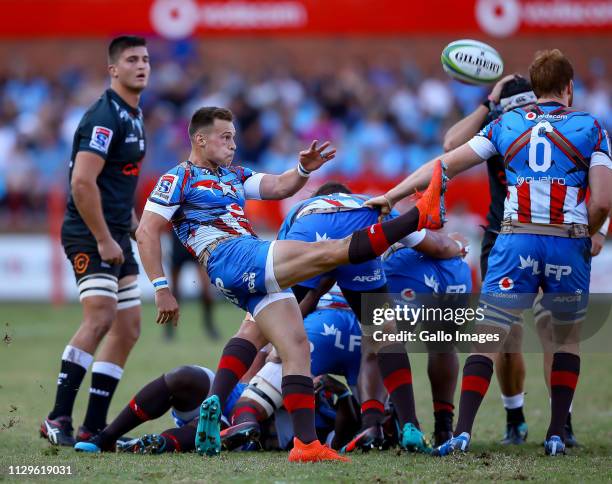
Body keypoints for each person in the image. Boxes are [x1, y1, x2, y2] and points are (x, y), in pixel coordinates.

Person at [135, 106, 447, 462]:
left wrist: (302, 169)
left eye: (234, 137)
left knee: (296, 346)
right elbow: (146, 231)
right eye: (225, 137)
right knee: (329, 253)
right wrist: (161, 287)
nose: (232, 144)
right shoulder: (177, 178)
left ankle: (304, 444)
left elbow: (280, 186)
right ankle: (419, 216)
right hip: (231, 254)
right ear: (199, 139)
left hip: (238, 267)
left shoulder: (233, 175)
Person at [366, 49, 611, 456]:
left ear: (534, 90)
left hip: (513, 238)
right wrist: (587, 234)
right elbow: (601, 201)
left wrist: (392, 195)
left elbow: (444, 162)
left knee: (489, 335)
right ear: (570, 87)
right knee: (564, 339)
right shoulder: (592, 126)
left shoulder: (507, 122)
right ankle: (555, 433)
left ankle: (462, 431)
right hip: (566, 239)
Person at [444, 75, 610, 446]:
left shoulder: (547, 124)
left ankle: (560, 425)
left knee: (552, 329)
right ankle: (515, 416)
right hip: (504, 234)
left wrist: (596, 230)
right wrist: (488, 103)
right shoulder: (500, 122)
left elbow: (597, 183)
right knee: (508, 335)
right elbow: (450, 147)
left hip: (550, 232)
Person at [41, 36, 150, 446]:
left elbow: (117, 181)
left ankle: (93, 427)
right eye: (132, 60)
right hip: (90, 232)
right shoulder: (105, 116)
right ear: (113, 70)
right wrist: (104, 237)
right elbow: (82, 183)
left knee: (129, 328)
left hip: (117, 231)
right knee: (101, 317)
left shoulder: (135, 115)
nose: (142, 66)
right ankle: (56, 417)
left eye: (145, 59)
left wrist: (134, 224)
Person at [381, 229, 471, 446]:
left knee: (387, 344)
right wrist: (457, 247)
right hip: (454, 267)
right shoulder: (439, 197)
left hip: (407, 264)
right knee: (444, 346)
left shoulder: (386, 202)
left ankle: (396, 422)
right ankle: (444, 427)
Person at [165, 233, 219, 341]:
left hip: (197, 241)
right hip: (178, 240)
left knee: (206, 290)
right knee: (175, 291)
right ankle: (169, 330)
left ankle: (209, 326)